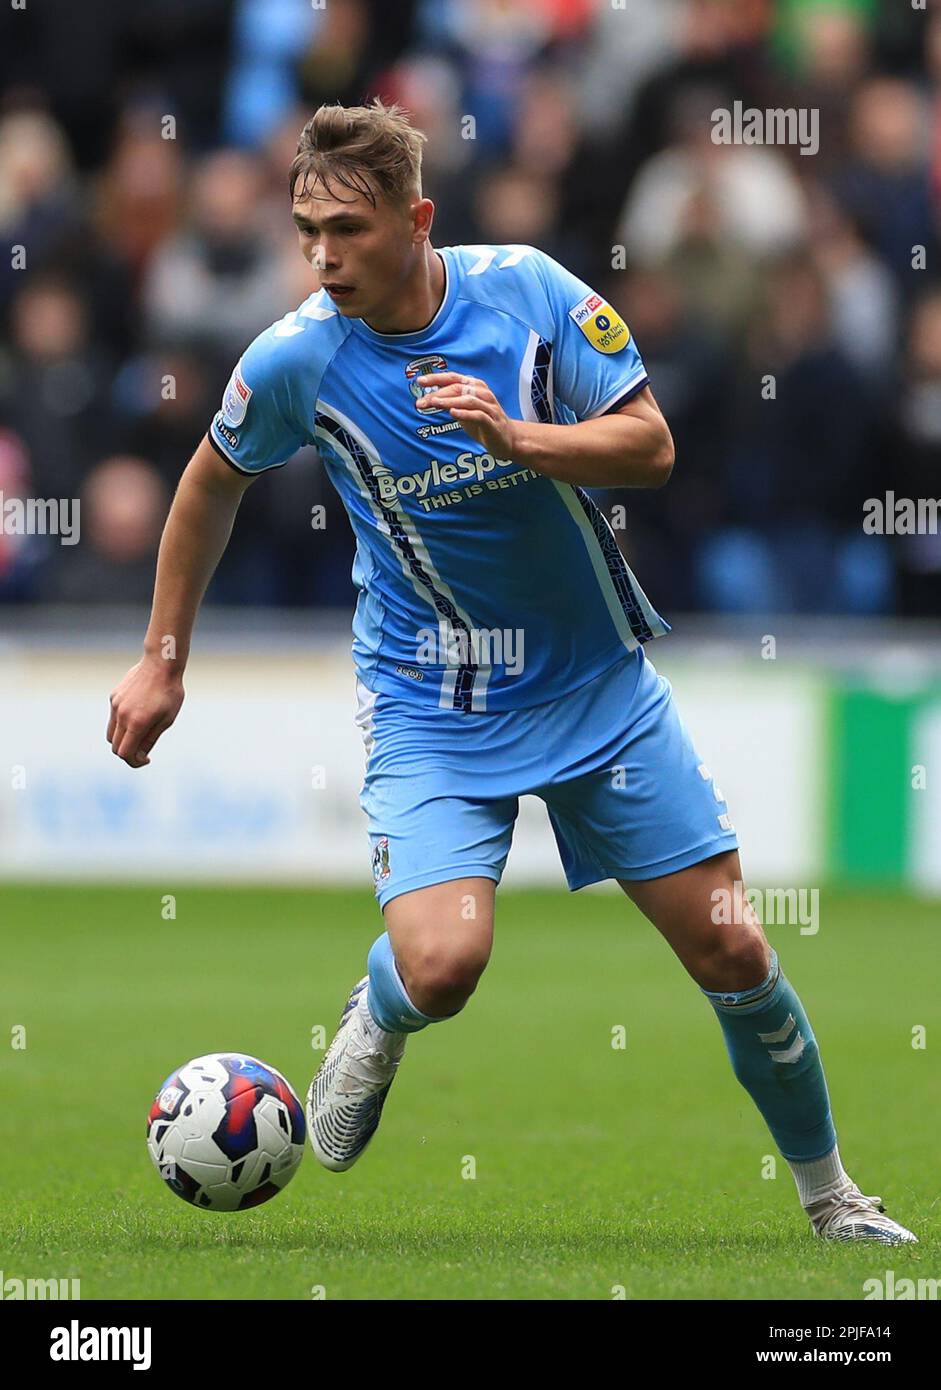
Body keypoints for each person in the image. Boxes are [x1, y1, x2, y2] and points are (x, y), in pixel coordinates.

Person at [107, 99, 915, 1245]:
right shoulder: (297, 357)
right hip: (432, 704)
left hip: (595, 689)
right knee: (443, 964)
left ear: (417, 219)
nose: (323, 255)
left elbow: (650, 444)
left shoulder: (527, 292)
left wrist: (519, 439)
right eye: (306, 230)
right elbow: (206, 482)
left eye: (348, 228)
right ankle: (374, 1019)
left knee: (733, 944)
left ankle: (831, 1197)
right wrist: (161, 661)